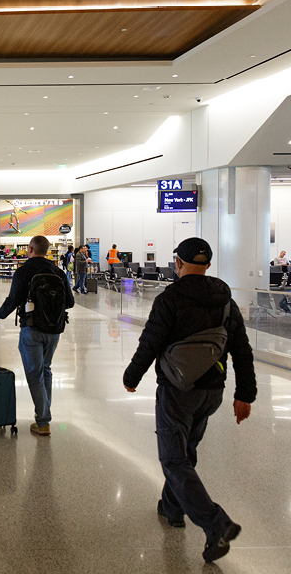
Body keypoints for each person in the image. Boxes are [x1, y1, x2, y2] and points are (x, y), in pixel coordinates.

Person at [122, 237, 256, 564]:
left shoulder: (172, 298)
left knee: (173, 458)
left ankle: (215, 524)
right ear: (208, 265)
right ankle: (172, 507)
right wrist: (245, 395)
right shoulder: (225, 299)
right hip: (211, 392)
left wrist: (132, 376)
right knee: (187, 449)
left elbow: (150, 342)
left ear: (178, 264)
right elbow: (241, 349)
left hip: (176, 391)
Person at [0, 235, 75, 436]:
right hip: (54, 331)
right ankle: (44, 416)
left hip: (32, 330)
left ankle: (43, 421)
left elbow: (13, 300)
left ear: (31, 249)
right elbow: (70, 302)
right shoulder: (58, 272)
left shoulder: (24, 271)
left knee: (35, 374)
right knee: (46, 370)